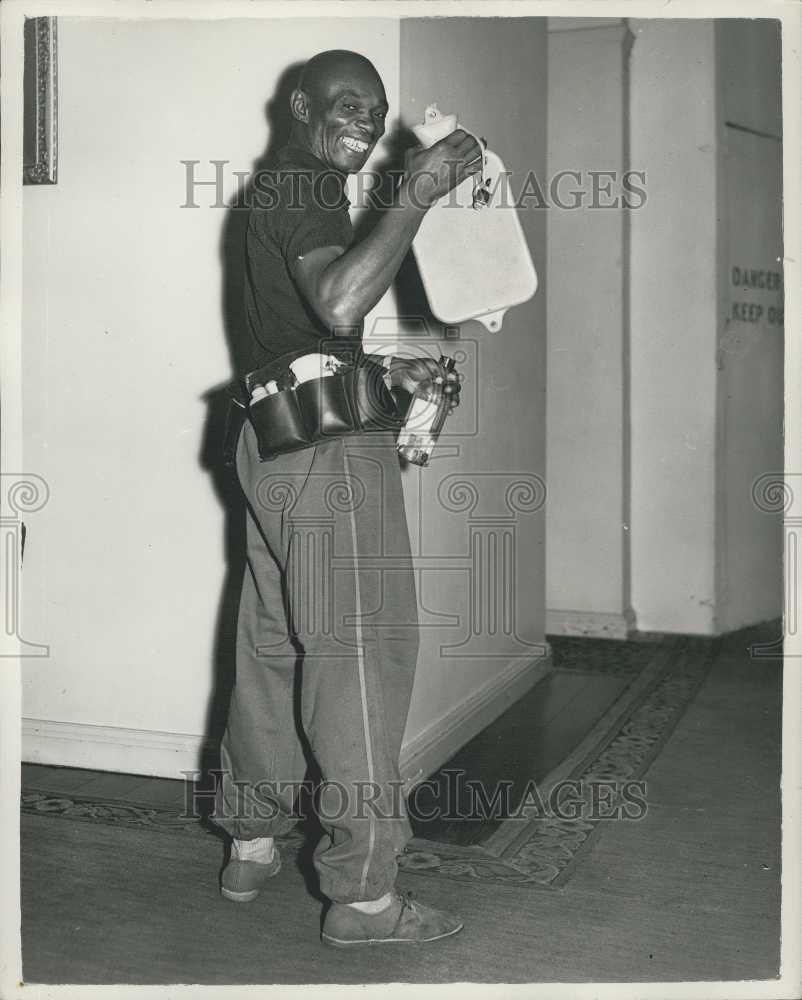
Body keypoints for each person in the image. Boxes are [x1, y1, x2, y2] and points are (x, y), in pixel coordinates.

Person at [212, 49, 482, 947]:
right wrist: (417, 189)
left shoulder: (281, 187)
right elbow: (335, 303)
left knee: (273, 644)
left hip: (272, 445)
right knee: (361, 654)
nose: (364, 122)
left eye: (375, 108)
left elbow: (302, 337)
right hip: (324, 463)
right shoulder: (303, 186)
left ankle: (250, 839)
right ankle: (365, 899)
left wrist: (384, 366)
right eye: (345, 105)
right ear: (299, 104)